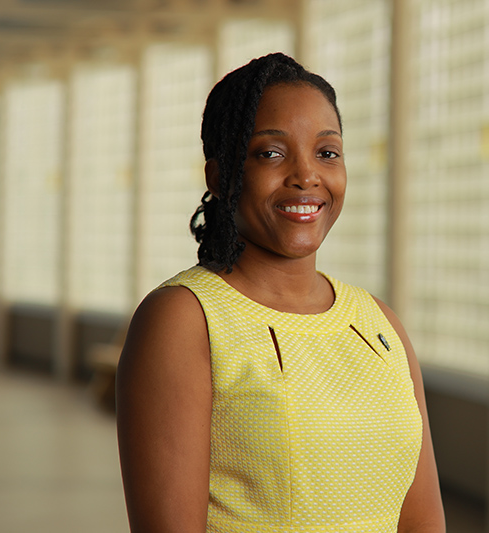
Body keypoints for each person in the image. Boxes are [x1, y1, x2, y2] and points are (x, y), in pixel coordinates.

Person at [115, 52, 445, 532]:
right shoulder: (184, 320)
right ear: (220, 177)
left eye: (326, 153)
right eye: (271, 153)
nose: (306, 175)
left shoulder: (379, 323)